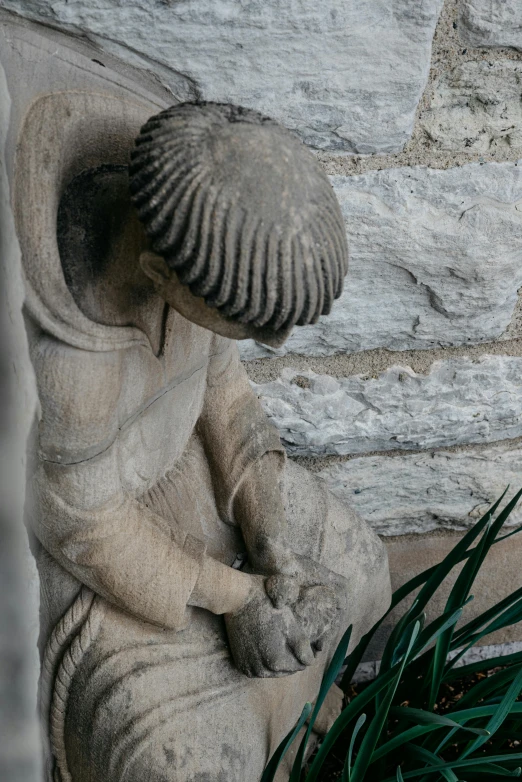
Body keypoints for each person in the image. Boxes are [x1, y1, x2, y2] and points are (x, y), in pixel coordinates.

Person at [27, 102, 391, 782]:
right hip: (111, 557)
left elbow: (226, 396)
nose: (267, 344)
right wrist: (236, 597)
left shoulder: (184, 249)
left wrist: (272, 540)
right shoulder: (74, 366)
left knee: (361, 564)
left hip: (195, 479)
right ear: (159, 276)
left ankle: (286, 708)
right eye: (241, 323)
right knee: (177, 763)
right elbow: (87, 524)